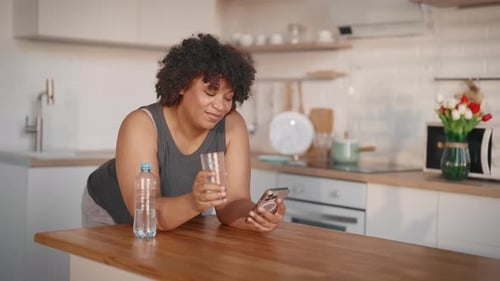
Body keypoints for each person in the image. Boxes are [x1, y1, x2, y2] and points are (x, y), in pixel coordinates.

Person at [81, 33, 286, 232]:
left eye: (228, 97)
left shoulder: (232, 126)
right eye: (210, 93)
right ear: (181, 85)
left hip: (180, 215)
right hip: (112, 213)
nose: (221, 106)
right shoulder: (141, 124)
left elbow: (233, 203)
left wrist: (255, 217)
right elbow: (147, 213)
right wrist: (195, 202)